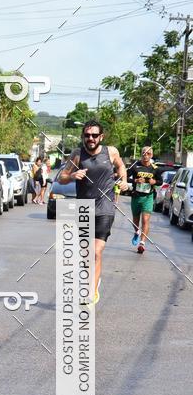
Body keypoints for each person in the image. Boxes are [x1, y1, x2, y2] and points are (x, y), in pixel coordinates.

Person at [58, 120, 128, 304]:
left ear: (101, 137)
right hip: (83, 209)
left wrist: (124, 180)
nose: (91, 138)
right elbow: (61, 178)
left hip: (105, 207)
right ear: (83, 137)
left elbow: (121, 167)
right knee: (86, 253)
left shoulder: (110, 152)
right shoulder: (76, 154)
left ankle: (90, 292)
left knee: (96, 251)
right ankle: (93, 282)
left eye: (94, 135)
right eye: (87, 135)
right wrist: (72, 175)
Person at [127, 146, 160, 255]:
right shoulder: (135, 166)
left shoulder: (155, 168)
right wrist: (135, 180)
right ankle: (137, 232)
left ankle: (142, 243)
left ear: (151, 155)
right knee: (136, 221)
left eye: (148, 154)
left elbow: (160, 181)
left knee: (145, 220)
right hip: (136, 196)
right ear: (141, 154)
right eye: (143, 153)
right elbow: (125, 177)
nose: (145, 155)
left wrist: (154, 181)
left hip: (148, 197)